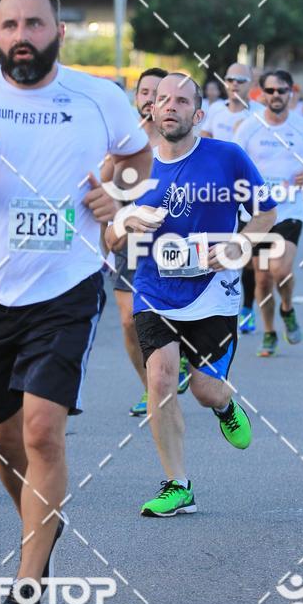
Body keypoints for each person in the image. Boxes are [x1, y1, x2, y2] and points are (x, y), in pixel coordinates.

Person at [0, 0, 150, 604]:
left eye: (33, 25)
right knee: (1, 438)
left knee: (41, 431)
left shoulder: (98, 96)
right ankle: (40, 525)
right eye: (8, 26)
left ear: (57, 31)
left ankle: (26, 582)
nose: (20, 37)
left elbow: (139, 161)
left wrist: (116, 192)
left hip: (65, 284)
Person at [106, 73, 276, 517]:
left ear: (198, 114)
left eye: (182, 100)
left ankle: (224, 406)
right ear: (151, 109)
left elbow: (267, 213)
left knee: (204, 389)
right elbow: (109, 235)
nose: (170, 106)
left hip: (213, 293)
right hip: (153, 289)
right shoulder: (133, 167)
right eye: (163, 99)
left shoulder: (228, 157)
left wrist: (239, 243)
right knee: (160, 379)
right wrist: (125, 223)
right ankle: (177, 485)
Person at [107, 67, 190, 417]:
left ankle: (180, 359)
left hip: (176, 237)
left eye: (160, 94)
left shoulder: (182, 138)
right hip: (133, 237)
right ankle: (150, 388)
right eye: (145, 92)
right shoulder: (123, 137)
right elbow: (103, 183)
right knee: (129, 320)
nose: (152, 99)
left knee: (177, 312)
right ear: (138, 98)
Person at [235, 70, 303, 357]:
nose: (276, 96)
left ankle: (287, 308)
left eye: (281, 91)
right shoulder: (249, 127)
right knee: (261, 279)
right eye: (270, 91)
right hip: (258, 213)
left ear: (290, 93)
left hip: (289, 208)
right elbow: (236, 163)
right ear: (261, 94)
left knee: (281, 270)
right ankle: (270, 331)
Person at [201, 62, 265, 335]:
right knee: (213, 251)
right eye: (229, 79)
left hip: (247, 191)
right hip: (217, 193)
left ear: (251, 83)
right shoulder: (215, 112)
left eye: (240, 79)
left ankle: (247, 308)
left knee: (246, 256)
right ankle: (208, 309)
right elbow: (202, 144)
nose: (234, 84)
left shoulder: (260, 114)